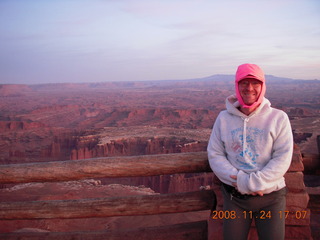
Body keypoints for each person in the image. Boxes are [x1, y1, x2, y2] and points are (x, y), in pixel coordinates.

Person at [207, 63, 293, 240]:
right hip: (235, 199)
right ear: (237, 85)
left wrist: (255, 183)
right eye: (244, 83)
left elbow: (282, 157)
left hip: (271, 197)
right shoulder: (223, 118)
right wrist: (241, 181)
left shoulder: (278, 118)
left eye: (255, 83)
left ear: (263, 86)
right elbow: (215, 154)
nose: (249, 88)